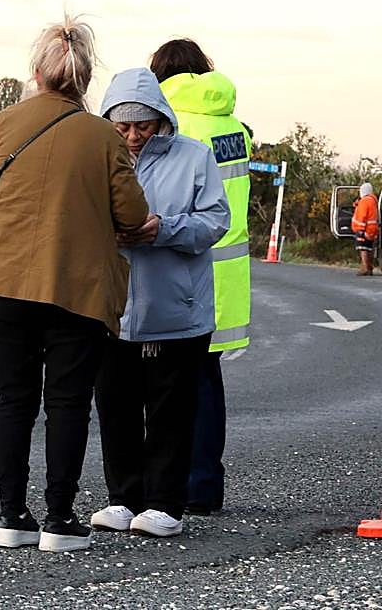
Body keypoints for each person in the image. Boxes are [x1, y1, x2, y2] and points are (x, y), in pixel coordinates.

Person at [0, 17, 150, 553]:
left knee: (13, 400)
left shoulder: (3, 122)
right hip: (76, 287)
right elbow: (133, 214)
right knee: (67, 403)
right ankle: (60, 519)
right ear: (84, 80)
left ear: (38, 72)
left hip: (0, 283)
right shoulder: (103, 136)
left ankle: (11, 517)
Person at [89, 69, 230, 539]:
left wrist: (161, 228)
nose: (132, 136)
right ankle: (122, 498)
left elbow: (215, 221)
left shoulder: (195, 157)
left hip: (177, 308)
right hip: (112, 307)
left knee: (171, 411)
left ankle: (165, 502)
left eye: (143, 125)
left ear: (162, 120)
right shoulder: (93, 157)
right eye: (122, 126)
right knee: (115, 407)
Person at [149, 39, 251, 515]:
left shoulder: (176, 124)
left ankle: (180, 485)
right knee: (207, 381)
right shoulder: (233, 125)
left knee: (175, 385)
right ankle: (206, 483)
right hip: (230, 272)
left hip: (188, 266)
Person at [352, 182, 379, 275]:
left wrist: (360, 229)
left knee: (363, 248)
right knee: (370, 248)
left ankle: (365, 267)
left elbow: (362, 216)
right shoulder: (373, 200)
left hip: (365, 228)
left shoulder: (364, 201)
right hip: (373, 229)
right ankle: (370, 267)